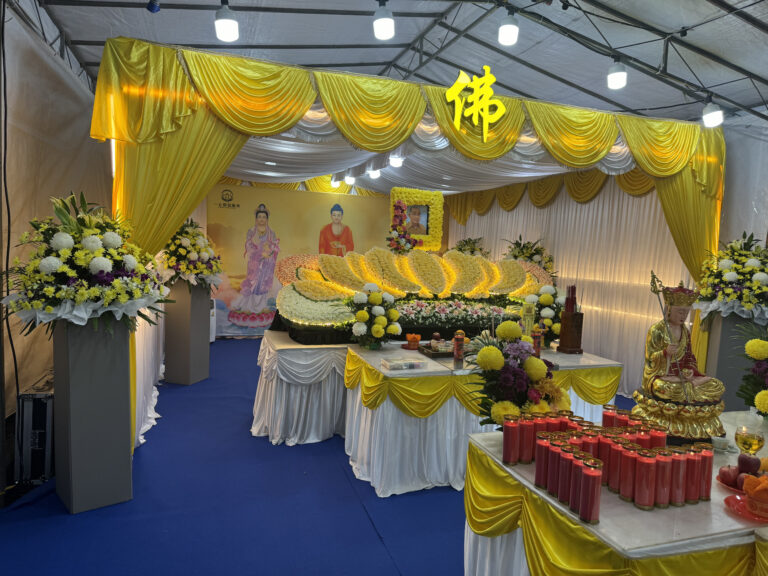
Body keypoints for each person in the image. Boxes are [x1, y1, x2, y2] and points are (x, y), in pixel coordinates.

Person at [632, 282, 725, 440]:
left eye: (686, 312)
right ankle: (684, 403)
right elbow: (650, 359)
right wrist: (665, 353)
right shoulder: (657, 330)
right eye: (680, 312)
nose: (684, 316)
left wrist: (689, 371)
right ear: (669, 310)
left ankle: (689, 392)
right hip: (664, 378)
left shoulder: (685, 332)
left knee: (716, 385)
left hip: (683, 378)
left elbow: (690, 357)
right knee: (665, 388)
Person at [230, 204, 280, 314]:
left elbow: (274, 247)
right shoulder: (252, 231)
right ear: (256, 219)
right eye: (259, 217)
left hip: (267, 263)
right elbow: (248, 246)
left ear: (267, 219)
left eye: (264, 217)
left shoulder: (271, 232)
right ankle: (248, 306)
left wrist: (270, 253)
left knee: (263, 284)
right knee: (253, 284)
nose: (261, 219)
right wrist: (259, 253)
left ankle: (262, 306)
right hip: (255, 262)